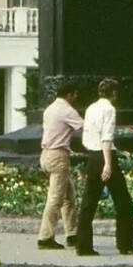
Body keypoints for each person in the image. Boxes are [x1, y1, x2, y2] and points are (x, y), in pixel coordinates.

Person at [74, 78, 133, 256]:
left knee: (88, 203)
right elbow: (106, 138)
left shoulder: (91, 108)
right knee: (123, 202)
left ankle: (82, 245)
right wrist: (108, 163)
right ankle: (126, 243)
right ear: (114, 93)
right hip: (105, 156)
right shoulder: (109, 109)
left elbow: (91, 135)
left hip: (92, 156)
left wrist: (115, 151)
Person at [37, 82, 84, 250]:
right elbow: (83, 126)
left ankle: (72, 233)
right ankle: (45, 237)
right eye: (75, 94)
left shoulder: (50, 109)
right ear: (70, 94)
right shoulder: (67, 110)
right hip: (58, 155)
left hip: (46, 154)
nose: (76, 98)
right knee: (56, 198)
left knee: (68, 196)